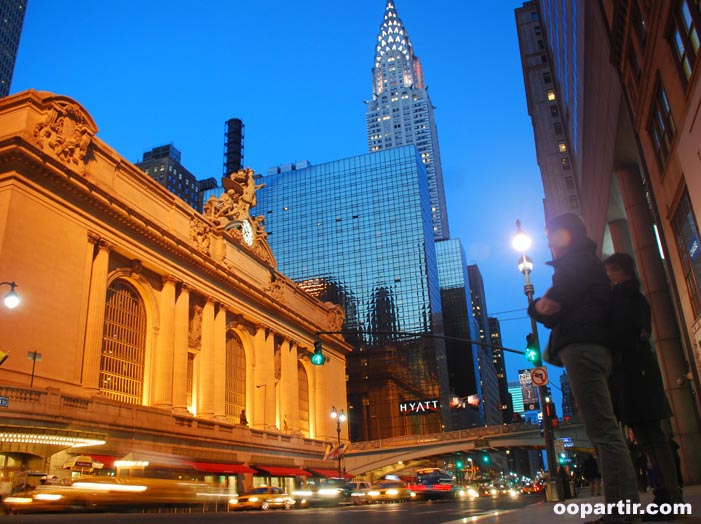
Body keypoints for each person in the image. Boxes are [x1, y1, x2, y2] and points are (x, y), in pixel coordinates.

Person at [528, 213, 640, 523]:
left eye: (552, 234)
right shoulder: (585, 264)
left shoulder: (576, 264)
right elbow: (553, 312)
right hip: (592, 348)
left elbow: (549, 307)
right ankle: (623, 508)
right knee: (604, 429)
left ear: (567, 235)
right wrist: (545, 308)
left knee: (602, 431)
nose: (548, 240)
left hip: (583, 349)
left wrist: (534, 305)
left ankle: (623, 512)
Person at [604, 252, 684, 507]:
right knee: (651, 439)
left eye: (611, 270)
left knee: (652, 440)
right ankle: (667, 495)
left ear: (621, 271)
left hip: (636, 377)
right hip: (637, 375)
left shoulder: (625, 299)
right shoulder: (630, 297)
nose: (608, 276)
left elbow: (626, 335)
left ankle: (667, 497)